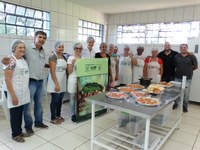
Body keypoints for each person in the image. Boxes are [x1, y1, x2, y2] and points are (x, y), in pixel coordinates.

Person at [3, 40, 31, 142]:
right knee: (15, 113)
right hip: (13, 91)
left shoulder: (23, 60)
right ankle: (15, 134)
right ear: (14, 48)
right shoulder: (10, 60)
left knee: (19, 112)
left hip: (22, 90)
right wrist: (13, 96)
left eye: (24, 47)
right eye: (20, 47)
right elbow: (7, 80)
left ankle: (19, 131)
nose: (22, 49)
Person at [47, 41, 67, 124]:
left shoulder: (63, 57)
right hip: (55, 83)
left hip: (62, 82)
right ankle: (53, 118)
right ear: (55, 48)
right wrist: (56, 84)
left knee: (60, 100)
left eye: (62, 47)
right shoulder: (52, 57)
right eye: (59, 47)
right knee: (54, 100)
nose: (61, 48)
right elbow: (52, 72)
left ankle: (58, 115)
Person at [173, 44, 198, 112]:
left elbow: (195, 66)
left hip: (188, 78)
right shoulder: (176, 56)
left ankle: (185, 106)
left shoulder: (192, 56)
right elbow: (175, 65)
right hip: (178, 77)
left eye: (184, 47)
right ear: (180, 48)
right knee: (176, 92)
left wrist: (189, 70)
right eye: (182, 47)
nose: (183, 48)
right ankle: (176, 104)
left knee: (186, 93)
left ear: (187, 48)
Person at [67, 43, 83, 122]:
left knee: (79, 98)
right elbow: (69, 72)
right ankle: (72, 114)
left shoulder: (82, 59)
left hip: (80, 81)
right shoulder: (70, 58)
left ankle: (78, 112)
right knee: (72, 97)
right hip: (72, 80)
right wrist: (72, 64)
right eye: (77, 48)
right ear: (74, 49)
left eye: (80, 48)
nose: (78, 50)